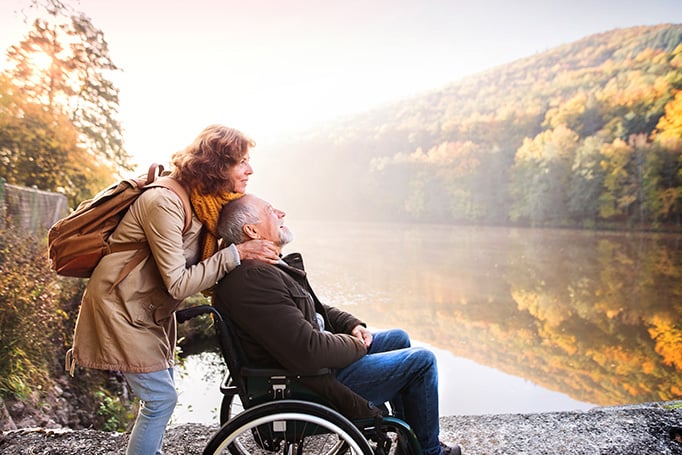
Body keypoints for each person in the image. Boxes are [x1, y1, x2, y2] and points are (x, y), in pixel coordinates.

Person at [65, 125, 280, 455]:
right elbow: (178, 282)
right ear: (216, 166)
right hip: (121, 308)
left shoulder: (208, 204)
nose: (250, 169)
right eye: (242, 162)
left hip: (148, 310)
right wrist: (236, 254)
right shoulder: (164, 202)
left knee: (159, 397)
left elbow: (235, 244)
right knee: (160, 398)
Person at [214, 194, 462, 455]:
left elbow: (313, 307)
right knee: (422, 362)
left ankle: (412, 445)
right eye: (270, 211)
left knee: (398, 338)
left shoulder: (265, 267)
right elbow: (308, 350)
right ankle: (429, 452)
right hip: (312, 382)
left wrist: (352, 324)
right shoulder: (253, 280)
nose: (281, 213)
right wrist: (356, 346)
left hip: (315, 368)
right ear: (252, 230)